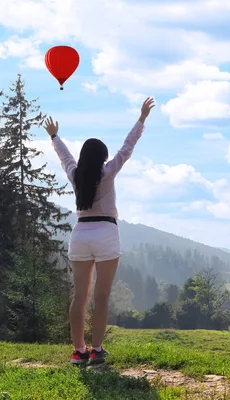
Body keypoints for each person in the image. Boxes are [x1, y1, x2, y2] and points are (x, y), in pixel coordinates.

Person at [44, 98, 155, 365]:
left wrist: (54, 136)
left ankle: (78, 351)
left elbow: (65, 157)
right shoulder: (107, 173)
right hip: (105, 232)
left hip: (80, 235)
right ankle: (96, 350)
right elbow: (126, 149)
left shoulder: (75, 175)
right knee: (102, 296)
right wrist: (141, 119)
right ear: (102, 157)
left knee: (79, 296)